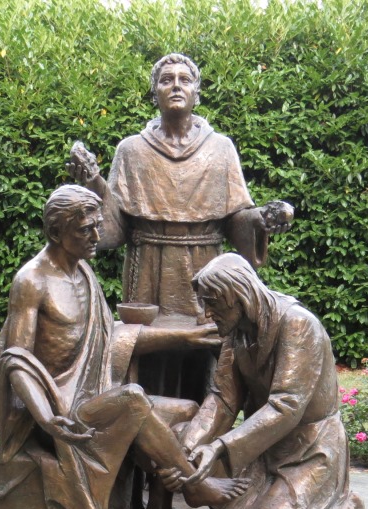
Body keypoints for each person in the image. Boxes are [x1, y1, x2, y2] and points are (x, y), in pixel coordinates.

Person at [0, 187, 249, 509]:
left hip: (91, 396)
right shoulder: (32, 281)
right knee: (134, 399)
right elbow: (16, 361)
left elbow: (111, 340)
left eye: (97, 226)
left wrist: (182, 337)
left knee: (185, 411)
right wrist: (47, 418)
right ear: (56, 232)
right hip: (57, 410)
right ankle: (194, 483)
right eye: (85, 230)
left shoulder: (84, 274)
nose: (97, 236)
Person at [68, 54, 292, 401]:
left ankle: (202, 425)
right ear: (154, 92)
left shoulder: (220, 149)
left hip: (205, 267)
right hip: (148, 272)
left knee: (205, 353)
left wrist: (263, 219)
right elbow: (114, 229)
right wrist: (93, 183)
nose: (175, 86)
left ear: (196, 93)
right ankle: (144, 426)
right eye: (166, 80)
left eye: (184, 80)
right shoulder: (132, 150)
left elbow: (237, 219)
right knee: (149, 353)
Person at [178, 254, 368, 509]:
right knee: (206, 496)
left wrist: (218, 447)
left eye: (213, 303)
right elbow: (223, 398)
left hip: (309, 452)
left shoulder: (297, 324)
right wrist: (187, 449)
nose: (206, 314)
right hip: (262, 450)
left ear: (240, 296)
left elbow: (287, 406)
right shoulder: (236, 330)